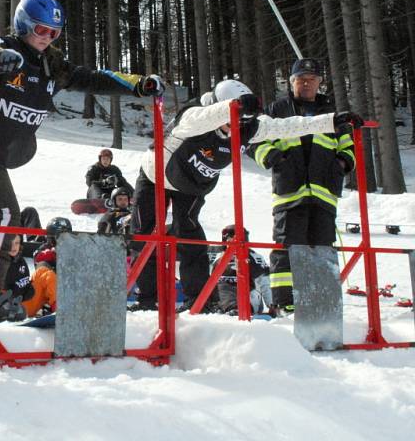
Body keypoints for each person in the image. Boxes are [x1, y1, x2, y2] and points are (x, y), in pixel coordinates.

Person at [0, 0, 165, 306]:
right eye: (40, 30)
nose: (46, 37)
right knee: (7, 213)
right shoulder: (7, 47)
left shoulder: (52, 65)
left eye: (53, 32)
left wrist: (136, 84)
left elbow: (92, 78)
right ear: (24, 24)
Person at [129, 77, 363, 313]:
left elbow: (288, 126)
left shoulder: (249, 127)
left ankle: (198, 301)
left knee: (190, 236)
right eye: (231, 122)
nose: (234, 128)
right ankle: (148, 300)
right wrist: (233, 107)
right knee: (144, 233)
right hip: (156, 176)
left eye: (240, 123)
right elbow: (207, 116)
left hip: (191, 186)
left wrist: (332, 121)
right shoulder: (194, 118)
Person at [248, 58, 361, 315]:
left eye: (312, 78)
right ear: (291, 82)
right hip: (290, 192)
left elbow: (348, 147)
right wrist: (275, 157)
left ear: (320, 82)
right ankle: (285, 304)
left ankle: (321, 304)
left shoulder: (332, 113)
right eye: (301, 78)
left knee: (322, 249)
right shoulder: (277, 109)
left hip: (324, 193)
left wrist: (341, 164)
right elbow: (254, 139)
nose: (307, 83)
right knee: (288, 246)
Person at [209, 225, 272, 315]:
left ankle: (235, 309)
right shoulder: (216, 255)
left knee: (227, 287)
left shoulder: (253, 257)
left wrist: (271, 305)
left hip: (248, 298)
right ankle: (219, 308)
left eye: (235, 241)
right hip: (221, 296)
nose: (232, 245)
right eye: (229, 241)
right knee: (220, 286)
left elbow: (265, 282)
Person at [22, 216, 71, 317]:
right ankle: (58, 310)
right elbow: (38, 257)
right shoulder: (45, 249)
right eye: (59, 237)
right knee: (46, 272)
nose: (61, 240)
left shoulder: (72, 251)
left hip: (62, 294)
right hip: (41, 293)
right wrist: (54, 253)